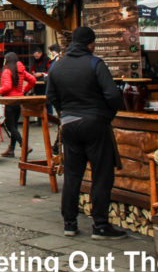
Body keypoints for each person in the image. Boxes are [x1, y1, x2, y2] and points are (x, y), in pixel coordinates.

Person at [46, 26, 125, 240]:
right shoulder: (95, 64)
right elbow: (112, 95)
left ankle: (69, 223)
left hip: (69, 123)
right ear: (91, 43)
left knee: (72, 174)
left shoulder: (57, 66)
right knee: (102, 173)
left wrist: (65, 113)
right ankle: (100, 224)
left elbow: (51, 95)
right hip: (95, 122)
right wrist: (106, 114)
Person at [0, 51, 36, 157]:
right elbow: (33, 80)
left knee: (10, 126)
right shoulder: (21, 70)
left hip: (9, 101)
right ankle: (11, 149)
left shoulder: (7, 71)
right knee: (14, 126)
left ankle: (24, 145)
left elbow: (7, 87)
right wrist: (24, 91)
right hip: (18, 101)